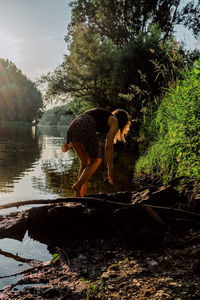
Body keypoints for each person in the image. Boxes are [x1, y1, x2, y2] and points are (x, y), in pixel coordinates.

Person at [62, 107, 131, 197]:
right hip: (86, 124)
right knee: (97, 160)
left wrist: (69, 143)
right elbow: (108, 146)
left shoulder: (105, 117)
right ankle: (78, 186)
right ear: (123, 122)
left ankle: (80, 197)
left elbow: (80, 121)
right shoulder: (115, 121)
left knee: (85, 162)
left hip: (73, 126)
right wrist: (110, 169)